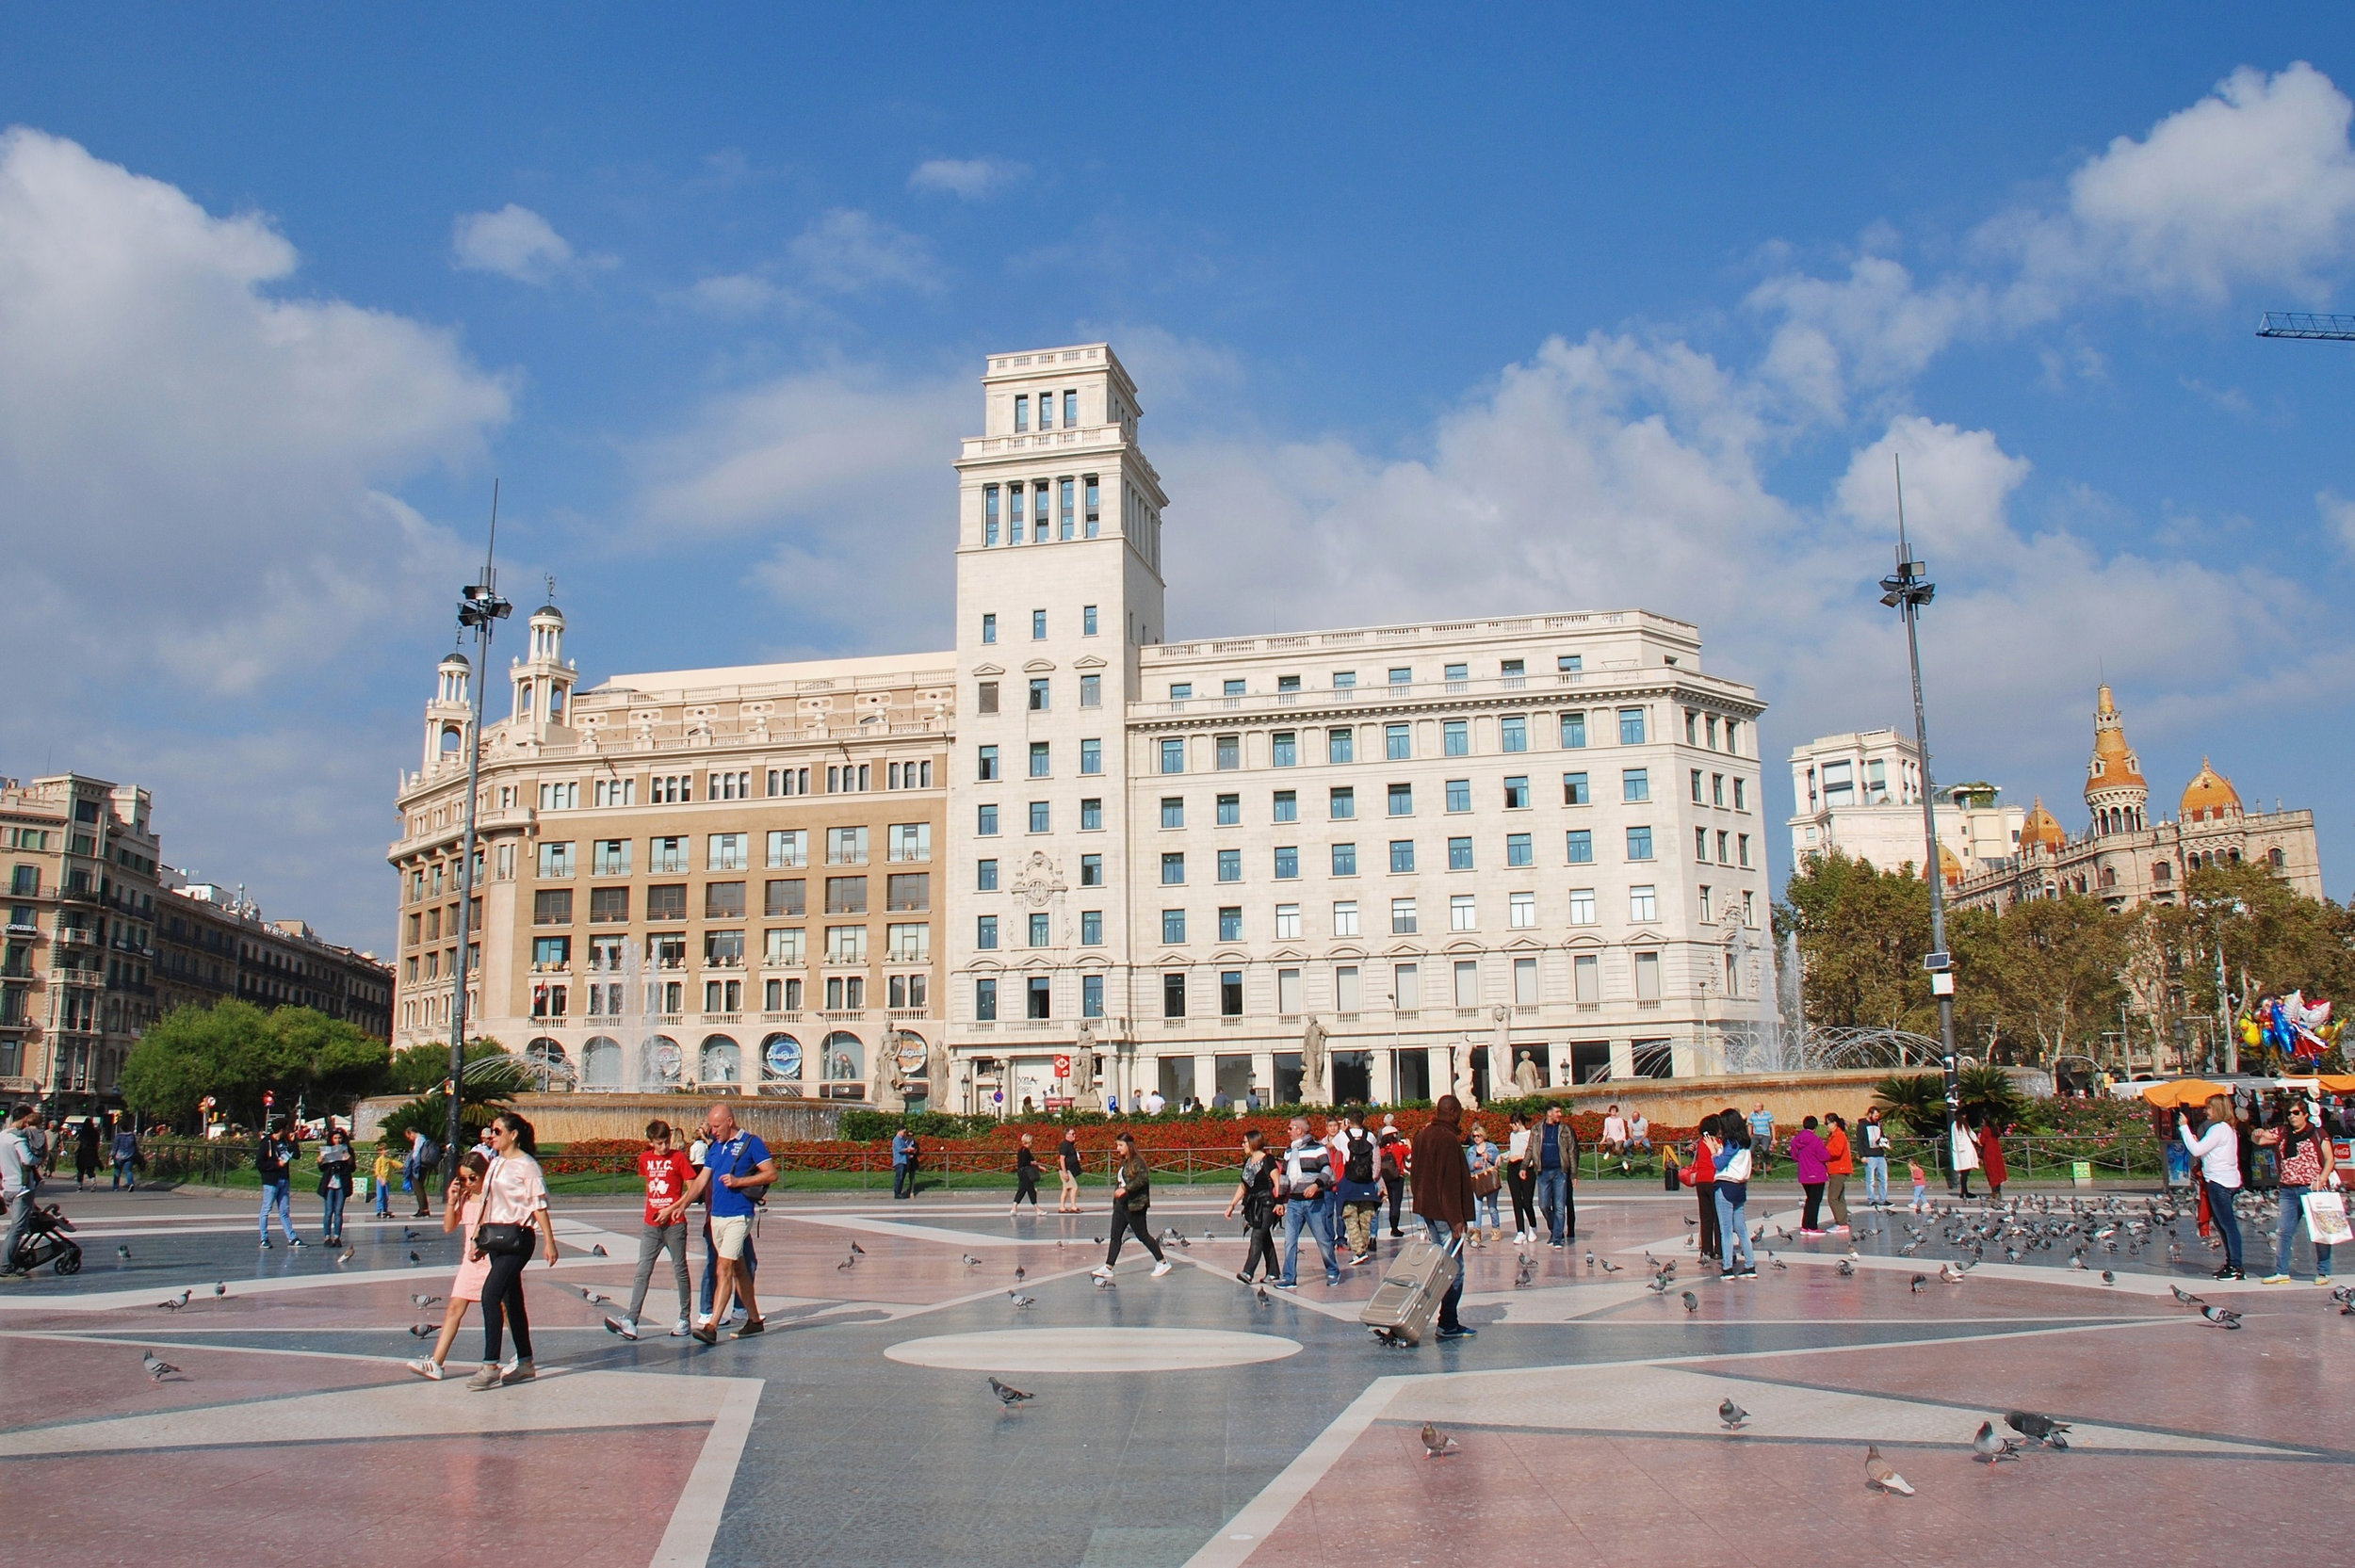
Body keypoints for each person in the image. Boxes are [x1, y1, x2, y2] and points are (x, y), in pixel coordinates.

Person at [465, 1111, 560, 1389]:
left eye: (497, 1131)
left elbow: (538, 1205)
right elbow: (486, 1202)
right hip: (495, 1237)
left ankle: (489, 1365)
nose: (491, 1136)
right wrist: (477, 1238)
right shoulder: (495, 1163)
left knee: (490, 1295)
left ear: (513, 1134)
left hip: (519, 1238)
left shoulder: (527, 1166)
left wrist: (549, 1241)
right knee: (511, 1300)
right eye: (491, 1132)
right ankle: (526, 1362)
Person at [674, 1103, 776, 1343]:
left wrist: (738, 1181)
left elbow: (771, 1173)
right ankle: (753, 1321)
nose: (712, 1130)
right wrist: (681, 1204)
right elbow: (701, 1181)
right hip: (716, 1217)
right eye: (710, 1125)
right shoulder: (715, 1147)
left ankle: (711, 1326)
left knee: (723, 1267)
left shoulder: (752, 1143)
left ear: (730, 1121)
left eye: (717, 1125)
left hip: (739, 1216)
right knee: (739, 1269)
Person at [605, 1121, 694, 1340]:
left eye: (666, 1142)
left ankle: (684, 1318)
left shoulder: (678, 1158)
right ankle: (632, 1320)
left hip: (674, 1223)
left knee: (679, 1269)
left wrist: (671, 1208)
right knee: (642, 1271)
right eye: (659, 1143)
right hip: (651, 1224)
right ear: (650, 1142)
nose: (663, 1147)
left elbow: (692, 1191)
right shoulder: (645, 1159)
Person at [408, 1151, 493, 1378]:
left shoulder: (493, 1196)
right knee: (455, 1308)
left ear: (484, 1174)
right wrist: (452, 1201)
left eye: (472, 1177)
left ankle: (521, 1356)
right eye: (463, 1178)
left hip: (492, 1260)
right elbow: (448, 1227)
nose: (468, 1183)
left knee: (502, 1310)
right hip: (470, 1261)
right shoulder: (465, 1197)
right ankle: (437, 1361)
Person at [1410, 1093, 1477, 1340]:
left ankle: (1444, 1319)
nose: (1461, 1117)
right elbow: (1448, 1182)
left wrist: (1421, 1205)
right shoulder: (1447, 1139)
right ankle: (1448, 1321)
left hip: (1428, 1209)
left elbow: (1415, 1174)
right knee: (1453, 1267)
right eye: (1459, 1112)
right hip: (1444, 1213)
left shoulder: (1423, 1135)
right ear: (1451, 1112)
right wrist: (1456, 1218)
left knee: (1440, 1263)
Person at [2257, 1098, 2337, 1285]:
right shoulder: (2283, 1133)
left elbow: (2329, 1159)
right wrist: (2255, 1132)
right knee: (2284, 1231)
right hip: (2288, 1189)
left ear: (2305, 1114)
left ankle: (2323, 1272)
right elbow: (2260, 1139)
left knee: (2320, 1230)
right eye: (2289, 1113)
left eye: (2296, 1113)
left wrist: (2323, 1178)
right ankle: (2282, 1271)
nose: (2292, 1117)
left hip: (2312, 1188)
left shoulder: (2318, 1133)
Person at [2180, 1095, 2246, 1282]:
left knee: (2227, 1225)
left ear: (2217, 1109)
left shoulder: (2218, 1128)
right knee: (2223, 1223)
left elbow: (2196, 1150)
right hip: (2227, 1180)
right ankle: (2232, 1262)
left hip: (2219, 1181)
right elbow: (2206, 1149)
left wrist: (2184, 1127)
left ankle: (2235, 1265)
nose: (2205, 1111)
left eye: (2209, 1107)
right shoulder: (2228, 1129)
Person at [1094, 1132, 1170, 1278]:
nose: (1117, 1148)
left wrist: (1126, 1189)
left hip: (1134, 1205)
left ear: (1129, 1146)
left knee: (1142, 1235)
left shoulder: (1137, 1161)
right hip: (1121, 1205)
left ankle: (1162, 1262)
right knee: (1115, 1236)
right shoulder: (1125, 1161)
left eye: (1120, 1145)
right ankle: (1109, 1267)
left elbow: (1142, 1179)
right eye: (1117, 1145)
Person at [1276, 1116, 1340, 1288]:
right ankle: (1289, 1277)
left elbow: (1327, 1170)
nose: (1288, 1131)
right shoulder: (1289, 1151)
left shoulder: (1317, 1148)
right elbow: (1284, 1177)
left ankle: (1333, 1270)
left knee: (1323, 1239)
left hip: (1314, 1202)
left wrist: (1316, 1185)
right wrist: (1280, 1201)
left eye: (1290, 1128)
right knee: (1290, 1241)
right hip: (1295, 1202)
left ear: (1300, 1130)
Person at [1226, 1130, 1279, 1285]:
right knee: (1265, 1238)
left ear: (1254, 1142)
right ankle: (1273, 1272)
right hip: (1253, 1204)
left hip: (1267, 1204)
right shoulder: (1248, 1162)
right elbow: (1244, 1186)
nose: (1243, 1145)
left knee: (1257, 1235)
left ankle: (1248, 1272)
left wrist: (1279, 1203)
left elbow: (1277, 1181)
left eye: (1245, 1142)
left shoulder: (1268, 1159)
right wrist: (1232, 1205)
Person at [1709, 1117, 1756, 1280]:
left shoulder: (1732, 1142)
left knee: (1726, 1230)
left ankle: (1728, 1268)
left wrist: (1714, 1152)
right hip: (1740, 1187)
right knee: (1742, 1229)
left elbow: (1720, 1164)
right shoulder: (1745, 1143)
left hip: (1725, 1187)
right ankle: (1750, 1266)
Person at [1336, 1111, 1382, 1263]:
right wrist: (1375, 1178)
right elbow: (1376, 1160)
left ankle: (1359, 1251)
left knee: (1350, 1217)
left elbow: (1330, 1145)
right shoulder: (1370, 1136)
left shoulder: (1343, 1136)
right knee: (1365, 1217)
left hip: (1349, 1182)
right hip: (1367, 1182)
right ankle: (1364, 1246)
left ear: (1348, 1121)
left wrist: (1343, 1129)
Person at [0, 1105, 39, 1276]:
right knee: (18, 1228)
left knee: (19, 1226)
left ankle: (11, 1257)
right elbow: (28, 1159)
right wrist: (40, 1157)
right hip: (21, 1189)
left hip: (7, 1187)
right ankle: (5, 1265)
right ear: (25, 1119)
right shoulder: (18, 1139)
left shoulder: (2, 1136)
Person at [1534, 1104, 1577, 1248]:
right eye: (1557, 1111)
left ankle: (1558, 1238)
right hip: (1543, 1171)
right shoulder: (1537, 1129)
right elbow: (1530, 1148)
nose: (1560, 1114)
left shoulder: (1565, 1129)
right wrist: (1523, 1166)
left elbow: (1572, 1151)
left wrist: (1574, 1174)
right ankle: (1555, 1230)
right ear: (1549, 1113)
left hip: (1560, 1171)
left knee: (1559, 1206)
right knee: (1544, 1205)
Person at [1681, 1113, 1721, 1261]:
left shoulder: (1700, 1142)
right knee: (1718, 1217)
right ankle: (1719, 1249)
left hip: (1700, 1181)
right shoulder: (1716, 1142)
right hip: (1714, 1180)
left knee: (1705, 1217)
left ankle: (1706, 1250)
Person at [256, 1123, 300, 1249]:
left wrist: (293, 1142)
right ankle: (264, 1238)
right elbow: (259, 1163)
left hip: (284, 1179)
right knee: (266, 1209)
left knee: (284, 1211)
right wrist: (276, 1165)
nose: (288, 1131)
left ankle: (292, 1238)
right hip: (271, 1181)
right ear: (282, 1129)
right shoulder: (267, 1142)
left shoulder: (286, 1141)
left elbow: (296, 1155)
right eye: (287, 1128)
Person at [1790, 1116, 1829, 1236]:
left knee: (1809, 1200)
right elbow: (1825, 1156)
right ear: (1815, 1127)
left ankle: (1805, 1226)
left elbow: (1794, 1155)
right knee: (1815, 1201)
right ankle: (1812, 1226)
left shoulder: (1796, 1140)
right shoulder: (1816, 1140)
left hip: (1804, 1174)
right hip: (1817, 1174)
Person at [316, 1128, 355, 1247]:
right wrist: (320, 1161)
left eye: (340, 1138)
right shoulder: (328, 1150)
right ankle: (327, 1237)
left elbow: (353, 1168)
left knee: (338, 1211)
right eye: (335, 1138)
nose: (338, 1140)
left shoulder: (348, 1150)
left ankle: (337, 1236)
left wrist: (348, 1158)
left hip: (341, 1183)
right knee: (328, 1211)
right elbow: (322, 1168)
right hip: (329, 1183)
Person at [1503, 1111, 1538, 1246]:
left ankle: (1533, 1226)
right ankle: (1520, 1231)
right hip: (1513, 1169)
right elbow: (1512, 1151)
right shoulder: (1513, 1135)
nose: (1511, 1126)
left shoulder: (1531, 1135)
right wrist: (1504, 1156)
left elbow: (1533, 1156)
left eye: (1513, 1123)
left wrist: (1520, 1158)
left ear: (1519, 1122)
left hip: (1527, 1169)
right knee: (1516, 1201)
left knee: (1527, 1202)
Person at [1467, 1122, 1502, 1245]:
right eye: (1474, 1136)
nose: (1476, 1138)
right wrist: (1473, 1165)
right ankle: (1477, 1232)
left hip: (1489, 1181)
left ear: (1483, 1136)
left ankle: (1496, 1229)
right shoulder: (1471, 1150)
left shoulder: (1491, 1147)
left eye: (1478, 1136)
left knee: (1492, 1207)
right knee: (1477, 1208)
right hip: (1477, 1180)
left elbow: (1498, 1162)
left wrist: (1489, 1157)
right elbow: (1467, 1166)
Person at [1377, 1115, 1410, 1237]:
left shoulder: (1380, 1149)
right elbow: (1410, 1157)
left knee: (1389, 1201)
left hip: (1385, 1178)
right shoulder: (1399, 1146)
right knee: (1396, 1203)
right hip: (1398, 1177)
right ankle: (1394, 1228)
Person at [1822, 1113, 1853, 1235]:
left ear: (1834, 1123)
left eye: (1827, 1123)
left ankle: (1841, 1223)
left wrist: (1824, 1150)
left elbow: (1837, 1151)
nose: (1826, 1126)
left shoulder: (1839, 1135)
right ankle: (1842, 1222)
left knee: (1833, 1198)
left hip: (1838, 1169)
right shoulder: (1834, 1135)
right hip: (1837, 1169)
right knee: (1840, 1197)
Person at [1858, 1107, 1892, 1208]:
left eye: (1878, 1116)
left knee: (1883, 1178)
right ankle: (1871, 1200)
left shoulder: (1878, 1124)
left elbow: (1882, 1137)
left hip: (1880, 1154)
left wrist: (1886, 1144)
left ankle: (1883, 1199)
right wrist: (1862, 1155)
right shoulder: (1862, 1125)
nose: (1877, 1118)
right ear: (1870, 1114)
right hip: (1869, 1155)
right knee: (1870, 1180)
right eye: (1875, 1115)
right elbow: (1859, 1141)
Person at [403, 1127, 438, 1220]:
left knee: (418, 1188)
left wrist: (413, 1164)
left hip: (419, 1167)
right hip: (424, 1166)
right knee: (419, 1187)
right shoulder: (424, 1139)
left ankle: (423, 1210)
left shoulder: (419, 1140)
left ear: (412, 1133)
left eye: (409, 1136)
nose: (410, 1139)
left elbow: (416, 1153)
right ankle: (423, 1209)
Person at [1979, 1117, 2008, 1201]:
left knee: (1991, 1171)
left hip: (1989, 1151)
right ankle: (1998, 1191)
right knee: (1998, 1171)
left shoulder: (1985, 1129)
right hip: (1996, 1150)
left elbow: (1982, 1141)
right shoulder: (1995, 1128)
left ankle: (1994, 1192)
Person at [1012, 1132, 1041, 1215]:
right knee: (1031, 1190)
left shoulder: (1021, 1150)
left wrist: (1039, 1166)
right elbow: (1026, 1162)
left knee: (1022, 1190)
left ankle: (1014, 1208)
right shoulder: (1026, 1151)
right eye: (1031, 1141)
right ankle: (1037, 1209)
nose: (1032, 1143)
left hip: (1021, 1172)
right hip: (1026, 1173)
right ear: (1028, 1141)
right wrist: (1034, 1163)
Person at [109, 1117, 140, 1192]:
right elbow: (135, 1146)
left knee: (117, 1171)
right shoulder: (132, 1136)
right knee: (128, 1171)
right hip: (129, 1155)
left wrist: (112, 1155)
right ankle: (131, 1183)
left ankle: (116, 1187)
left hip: (119, 1156)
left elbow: (115, 1147)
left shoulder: (118, 1136)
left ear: (121, 1128)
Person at [1057, 1127, 1083, 1212]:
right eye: (1072, 1134)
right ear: (1067, 1135)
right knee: (1074, 1187)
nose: (1074, 1135)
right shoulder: (1065, 1145)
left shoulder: (1070, 1145)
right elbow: (1062, 1159)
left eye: (1074, 1134)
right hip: (1066, 1170)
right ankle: (1073, 1206)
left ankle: (1062, 1207)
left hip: (1070, 1170)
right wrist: (1065, 1173)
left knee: (1066, 1189)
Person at [1746, 1103, 1775, 1176]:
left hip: (1765, 1135)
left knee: (1765, 1149)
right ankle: (1756, 1163)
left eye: (1756, 1106)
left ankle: (1768, 1163)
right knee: (1750, 1149)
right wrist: (1749, 1136)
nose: (1754, 1107)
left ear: (1760, 1107)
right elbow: (1750, 1126)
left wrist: (1774, 1138)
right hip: (1756, 1135)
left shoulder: (1768, 1114)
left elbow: (1772, 1126)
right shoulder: (1752, 1115)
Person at [891, 1125, 918, 1201]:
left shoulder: (902, 1140)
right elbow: (900, 1149)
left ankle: (899, 1192)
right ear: (899, 1131)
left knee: (902, 1177)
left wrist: (909, 1154)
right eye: (904, 1132)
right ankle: (897, 1193)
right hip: (899, 1161)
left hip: (904, 1160)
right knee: (899, 1177)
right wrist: (908, 1149)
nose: (905, 1133)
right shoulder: (896, 1139)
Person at [73, 1117, 100, 1190]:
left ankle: (79, 1186)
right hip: (92, 1152)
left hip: (82, 1152)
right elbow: (97, 1143)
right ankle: (93, 1182)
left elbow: (78, 1142)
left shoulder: (82, 1132)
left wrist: (75, 1151)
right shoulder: (95, 1132)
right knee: (90, 1169)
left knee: (80, 1170)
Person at [373, 1140, 398, 1218]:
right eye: (385, 1149)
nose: (387, 1151)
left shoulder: (388, 1159)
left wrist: (405, 1166)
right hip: (380, 1180)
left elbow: (395, 1163)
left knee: (386, 1196)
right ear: (380, 1151)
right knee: (380, 1196)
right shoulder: (379, 1160)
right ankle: (379, 1211)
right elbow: (377, 1171)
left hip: (387, 1180)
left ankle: (385, 1210)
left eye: (387, 1149)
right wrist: (381, 1179)